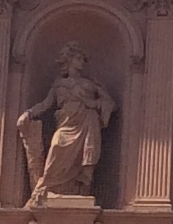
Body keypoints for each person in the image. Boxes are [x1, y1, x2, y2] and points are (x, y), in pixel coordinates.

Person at [17, 43, 115, 205]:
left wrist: (95, 104)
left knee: (84, 158)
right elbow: (46, 104)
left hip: (87, 123)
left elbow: (109, 104)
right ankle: (47, 189)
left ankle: (78, 192)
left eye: (82, 59)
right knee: (57, 146)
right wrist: (28, 114)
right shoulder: (59, 84)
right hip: (66, 124)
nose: (81, 62)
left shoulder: (90, 84)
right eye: (78, 58)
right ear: (69, 60)